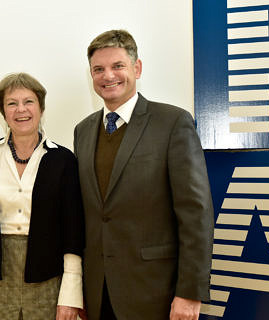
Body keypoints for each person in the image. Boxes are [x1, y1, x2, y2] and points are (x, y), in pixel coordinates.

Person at [74, 29, 214, 320]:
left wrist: (189, 293)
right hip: (99, 292)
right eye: (98, 69)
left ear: (136, 68)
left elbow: (195, 213)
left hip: (156, 293)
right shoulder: (83, 131)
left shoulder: (172, 123)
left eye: (117, 66)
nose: (107, 76)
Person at [0, 73, 85, 320]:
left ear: (41, 107)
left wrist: (70, 295)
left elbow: (73, 232)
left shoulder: (64, 160)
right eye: (12, 103)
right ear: (3, 112)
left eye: (29, 101)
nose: (21, 110)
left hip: (48, 280)